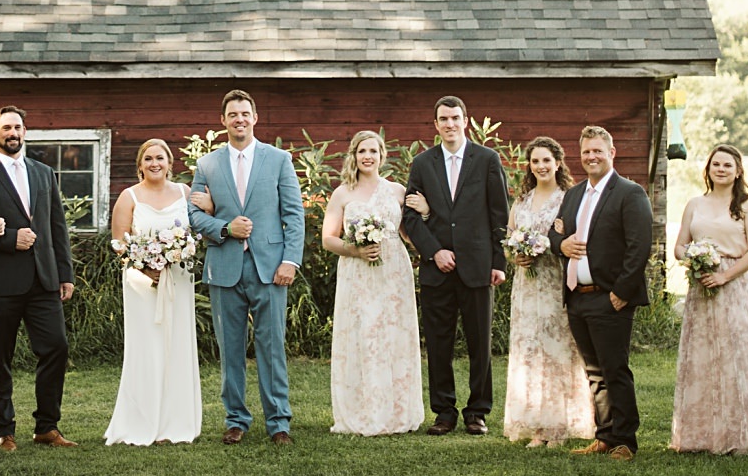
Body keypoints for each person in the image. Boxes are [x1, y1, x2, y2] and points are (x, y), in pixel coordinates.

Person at [187, 90, 305, 445]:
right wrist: (224, 227)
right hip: (225, 266)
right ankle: (236, 419)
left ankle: (278, 421)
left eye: (245, 113)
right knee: (230, 348)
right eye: (232, 114)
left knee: (272, 346)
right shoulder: (208, 164)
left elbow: (293, 214)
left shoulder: (279, 159)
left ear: (255, 118)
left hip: (270, 268)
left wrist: (290, 260)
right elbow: (192, 214)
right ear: (223, 121)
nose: (239, 119)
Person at [0, 107, 75, 451]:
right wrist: (10, 238)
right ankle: (4, 430)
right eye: (6, 127)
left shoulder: (43, 173)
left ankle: (47, 426)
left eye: (18, 126)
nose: (13, 132)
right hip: (1, 281)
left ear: (25, 131)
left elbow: (57, 225)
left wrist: (65, 273)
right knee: (0, 356)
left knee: (56, 347)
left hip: (43, 278)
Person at [671, 145, 748, 455]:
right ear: (708, 169)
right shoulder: (694, 204)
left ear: (738, 171)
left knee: (737, 355)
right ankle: (700, 436)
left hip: (733, 286)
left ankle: (743, 434)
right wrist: (697, 259)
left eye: (728, 165)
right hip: (701, 285)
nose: (721, 169)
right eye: (716, 164)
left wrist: (724, 275)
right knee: (704, 355)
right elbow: (680, 247)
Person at [401, 96, 508, 435]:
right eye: (443, 119)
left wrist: (499, 261)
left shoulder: (487, 159)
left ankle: (477, 411)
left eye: (455, 118)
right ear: (435, 125)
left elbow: (499, 215)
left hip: (477, 266)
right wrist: (435, 252)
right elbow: (410, 217)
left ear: (466, 120)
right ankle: (444, 411)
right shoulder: (422, 164)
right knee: (439, 343)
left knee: (480, 343)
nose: (450, 124)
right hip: (437, 270)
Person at [552, 124, 652, 459]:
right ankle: (604, 436)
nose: (591, 157)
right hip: (578, 296)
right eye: (586, 152)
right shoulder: (574, 194)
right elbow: (555, 235)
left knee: (615, 370)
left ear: (612, 153)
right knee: (595, 375)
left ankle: (625, 441)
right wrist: (561, 244)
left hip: (610, 297)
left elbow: (640, 247)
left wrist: (621, 292)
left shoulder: (629, 193)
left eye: (598, 151)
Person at [322, 130, 425, 436]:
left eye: (373, 151)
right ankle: (362, 409)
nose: (367, 156)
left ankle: (396, 410)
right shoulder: (342, 193)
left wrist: (427, 213)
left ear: (382, 156)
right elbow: (328, 239)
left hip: (393, 271)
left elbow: (409, 234)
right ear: (353, 155)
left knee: (393, 335)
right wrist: (354, 250)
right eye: (361, 151)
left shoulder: (396, 191)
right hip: (357, 273)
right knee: (361, 334)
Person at [105, 138, 203, 446]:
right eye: (148, 159)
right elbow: (120, 244)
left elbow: (200, 227)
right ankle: (141, 421)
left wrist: (179, 253)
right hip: (141, 284)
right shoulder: (129, 196)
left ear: (170, 163)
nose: (154, 163)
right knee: (146, 348)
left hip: (179, 280)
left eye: (160, 157)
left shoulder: (186, 193)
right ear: (140, 165)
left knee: (177, 345)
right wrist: (147, 269)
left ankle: (176, 422)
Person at [502, 137, 592, 447]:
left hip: (555, 284)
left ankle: (557, 426)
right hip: (526, 286)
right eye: (535, 161)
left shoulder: (567, 199)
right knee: (530, 352)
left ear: (557, 163)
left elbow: (574, 240)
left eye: (546, 161)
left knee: (556, 351)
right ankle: (535, 425)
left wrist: (548, 249)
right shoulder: (522, 201)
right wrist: (517, 255)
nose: (541, 166)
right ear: (529, 166)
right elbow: (510, 239)